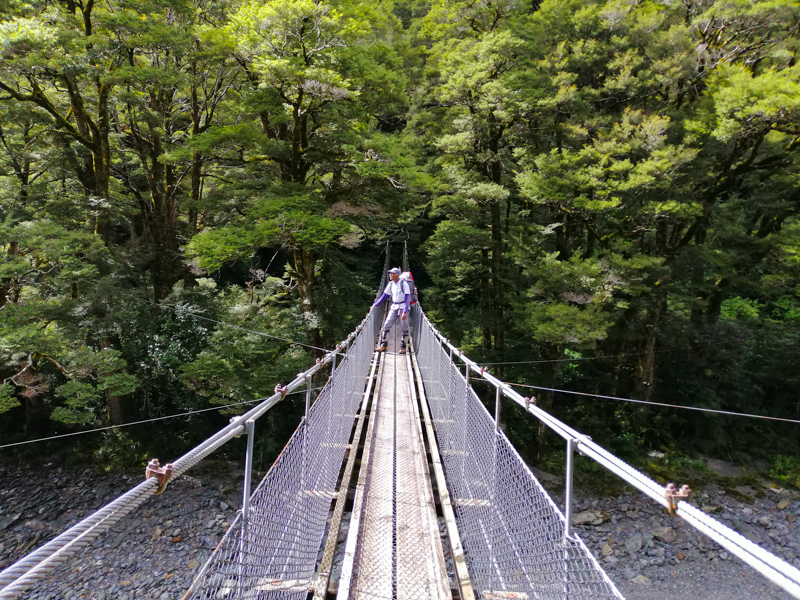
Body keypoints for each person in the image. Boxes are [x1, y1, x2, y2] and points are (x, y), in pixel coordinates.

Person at [372, 267, 411, 354]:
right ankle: (383, 345)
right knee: (386, 325)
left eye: (392, 273)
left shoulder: (404, 284)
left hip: (403, 307)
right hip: (394, 307)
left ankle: (403, 347)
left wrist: (405, 311)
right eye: (390, 273)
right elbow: (385, 296)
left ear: (397, 275)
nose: (390, 275)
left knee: (404, 328)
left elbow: (407, 298)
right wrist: (376, 304)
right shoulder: (391, 284)